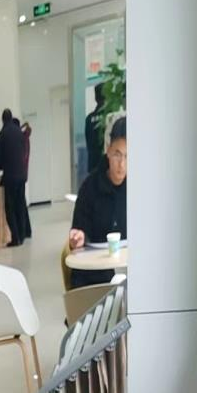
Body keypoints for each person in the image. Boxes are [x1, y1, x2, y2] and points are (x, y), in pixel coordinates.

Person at [68, 115, 127, 289]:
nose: (122, 164)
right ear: (108, 151)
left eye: (128, 156)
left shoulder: (138, 188)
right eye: (117, 154)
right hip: (94, 277)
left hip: (130, 272)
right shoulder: (90, 188)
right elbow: (79, 231)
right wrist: (78, 238)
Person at [0, 108, 30, 246]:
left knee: (10, 208)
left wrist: (1, 164)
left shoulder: (2, 135)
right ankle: (22, 234)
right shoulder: (19, 133)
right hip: (22, 175)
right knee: (20, 205)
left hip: (10, 177)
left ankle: (16, 238)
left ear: (3, 120)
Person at [84, 83, 106, 176]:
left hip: (93, 165)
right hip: (106, 165)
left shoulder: (89, 118)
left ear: (95, 98)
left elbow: (88, 141)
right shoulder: (109, 116)